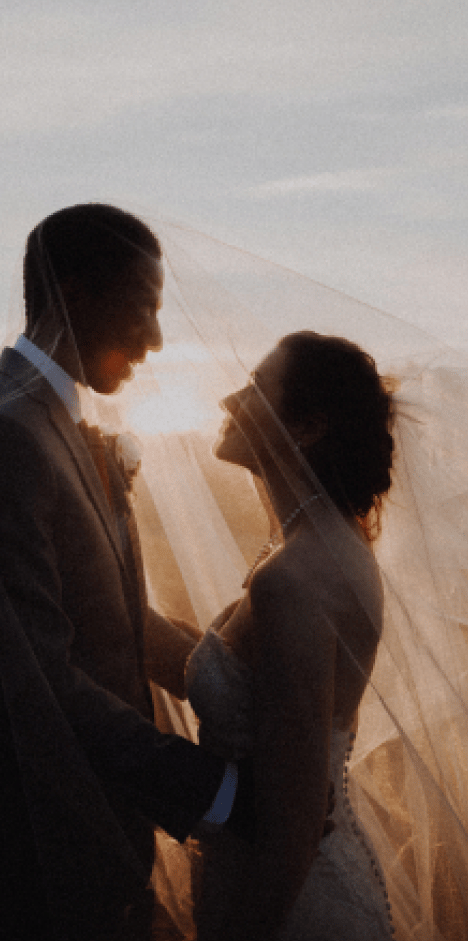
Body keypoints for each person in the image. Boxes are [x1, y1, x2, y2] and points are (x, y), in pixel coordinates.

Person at [0, 204, 253, 941]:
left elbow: (116, 622)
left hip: (90, 836)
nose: (156, 342)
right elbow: (36, 676)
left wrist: (245, 690)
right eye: (144, 310)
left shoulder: (52, 425)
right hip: (37, 856)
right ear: (78, 294)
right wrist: (221, 793)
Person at [158, 332, 396, 939]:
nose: (228, 401)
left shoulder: (294, 577)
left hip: (290, 906)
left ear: (308, 427)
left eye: (256, 388)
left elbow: (294, 826)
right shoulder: (317, 546)